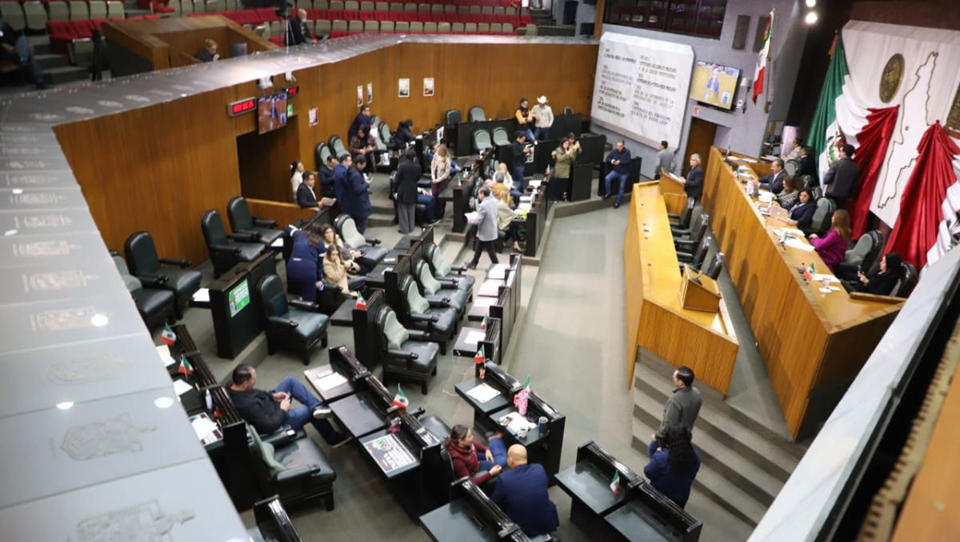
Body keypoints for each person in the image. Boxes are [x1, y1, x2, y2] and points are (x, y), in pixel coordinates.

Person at [227, 365, 348, 446]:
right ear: (245, 384)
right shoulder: (246, 405)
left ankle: (317, 406)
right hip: (278, 422)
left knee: (289, 381)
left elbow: (256, 393)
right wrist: (283, 410)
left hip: (271, 406)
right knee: (309, 411)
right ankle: (333, 439)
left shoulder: (233, 386)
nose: (255, 381)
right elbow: (270, 426)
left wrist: (271, 396)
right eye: (253, 379)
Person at [490, 445, 560, 537]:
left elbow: (494, 503)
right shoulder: (539, 468)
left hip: (523, 530)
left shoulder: (504, 479)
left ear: (510, 460)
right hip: (546, 522)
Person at [644, 425, 701, 508]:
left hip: (658, 496)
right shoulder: (696, 457)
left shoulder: (662, 458)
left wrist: (657, 451)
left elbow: (648, 472)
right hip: (680, 499)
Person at [654, 366, 702, 442]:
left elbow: (669, 423)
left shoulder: (675, 400)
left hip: (673, 438)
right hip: (687, 434)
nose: (673, 376)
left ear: (680, 383)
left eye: (674, 376)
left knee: (652, 450)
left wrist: (658, 436)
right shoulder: (697, 393)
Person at [286, 222, 327, 302]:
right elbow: (319, 265)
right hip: (307, 271)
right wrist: (319, 279)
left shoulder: (299, 234)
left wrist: (299, 230)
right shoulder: (321, 244)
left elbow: (288, 227)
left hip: (291, 268)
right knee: (309, 299)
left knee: (301, 286)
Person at [0, 17, 45, 89]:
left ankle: (23, 60)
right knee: (29, 54)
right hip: (3, 52)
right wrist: (3, 45)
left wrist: (28, 43)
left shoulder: (4, 25)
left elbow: (17, 35)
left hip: (15, 49)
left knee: (23, 39)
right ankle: (39, 80)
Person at [467, 186, 499, 269]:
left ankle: (497, 266)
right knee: (479, 245)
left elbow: (478, 220)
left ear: (482, 194)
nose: (478, 196)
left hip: (486, 231)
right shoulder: (494, 201)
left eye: (479, 194)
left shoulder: (483, 205)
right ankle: (474, 263)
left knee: (491, 250)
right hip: (491, 228)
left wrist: (469, 218)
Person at [341, 155, 372, 233]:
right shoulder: (355, 175)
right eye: (363, 164)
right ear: (358, 164)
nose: (364, 166)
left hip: (354, 204)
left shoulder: (352, 171)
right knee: (361, 225)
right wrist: (367, 183)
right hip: (359, 205)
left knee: (357, 224)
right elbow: (358, 189)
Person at [394, 149, 423, 234]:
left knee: (403, 209)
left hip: (403, 189)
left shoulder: (402, 165)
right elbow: (419, 177)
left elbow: (397, 179)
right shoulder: (417, 166)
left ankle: (404, 229)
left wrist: (395, 189)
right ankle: (411, 227)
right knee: (411, 208)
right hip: (413, 188)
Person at [822, 144, 859, 208]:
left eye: (841, 151)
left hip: (831, 195)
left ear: (844, 153)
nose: (840, 153)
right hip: (844, 197)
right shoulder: (856, 167)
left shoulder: (836, 164)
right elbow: (854, 185)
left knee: (826, 215)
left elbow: (826, 180)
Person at [603, 140, 632, 209]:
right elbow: (607, 158)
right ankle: (608, 193)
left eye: (620, 146)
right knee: (607, 178)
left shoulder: (627, 152)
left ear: (623, 146)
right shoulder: (614, 151)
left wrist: (620, 162)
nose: (618, 147)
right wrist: (611, 161)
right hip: (616, 171)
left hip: (624, 173)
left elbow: (628, 161)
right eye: (617, 146)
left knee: (621, 188)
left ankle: (618, 202)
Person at [430, 143, 453, 218]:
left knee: (441, 197)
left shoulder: (447, 160)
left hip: (442, 180)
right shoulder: (436, 155)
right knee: (434, 195)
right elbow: (433, 166)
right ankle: (435, 213)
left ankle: (441, 213)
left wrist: (438, 179)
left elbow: (446, 173)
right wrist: (433, 177)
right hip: (435, 178)